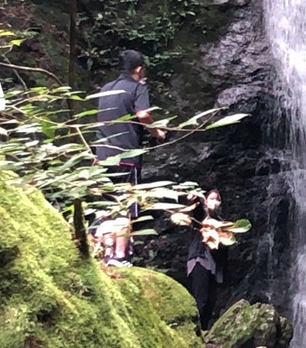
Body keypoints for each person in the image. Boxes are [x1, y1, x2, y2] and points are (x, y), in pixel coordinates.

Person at [93, 49, 164, 266]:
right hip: (125, 156)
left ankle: (106, 255)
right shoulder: (137, 87)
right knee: (125, 206)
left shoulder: (106, 89)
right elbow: (143, 115)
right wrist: (157, 132)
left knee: (107, 207)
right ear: (139, 68)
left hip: (102, 156)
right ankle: (120, 256)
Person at [181, 189, 226, 330]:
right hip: (199, 260)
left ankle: (204, 331)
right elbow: (197, 212)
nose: (215, 202)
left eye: (218, 199)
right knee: (201, 300)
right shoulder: (202, 219)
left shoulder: (221, 224)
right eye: (212, 198)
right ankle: (194, 331)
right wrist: (194, 200)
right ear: (205, 201)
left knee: (211, 303)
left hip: (213, 266)